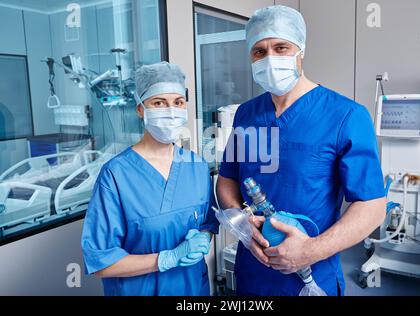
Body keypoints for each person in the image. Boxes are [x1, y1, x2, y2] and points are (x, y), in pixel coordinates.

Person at [217, 5, 387, 296]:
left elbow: (371, 207)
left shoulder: (345, 115)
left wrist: (309, 251)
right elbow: (228, 178)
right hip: (253, 269)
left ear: (301, 51)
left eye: (281, 47)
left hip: (311, 273)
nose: (270, 58)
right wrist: (245, 226)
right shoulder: (246, 114)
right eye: (259, 51)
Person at [81, 62, 218, 296]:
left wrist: (203, 238)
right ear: (140, 109)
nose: (171, 110)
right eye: (159, 103)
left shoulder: (196, 166)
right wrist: (168, 258)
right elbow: (100, 261)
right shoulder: (116, 175)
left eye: (178, 102)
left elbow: (206, 222)